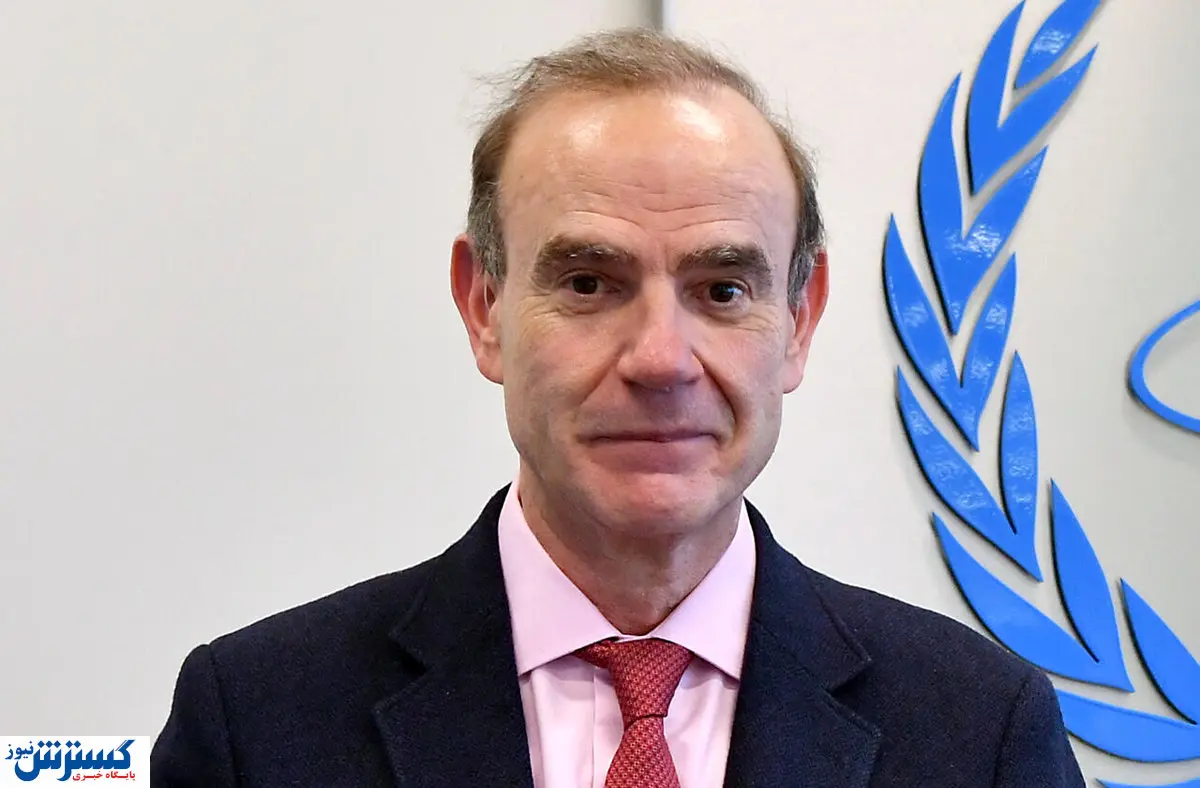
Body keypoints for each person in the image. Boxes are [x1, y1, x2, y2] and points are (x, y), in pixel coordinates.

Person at [151, 28, 1085, 788]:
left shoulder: (979, 731)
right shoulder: (257, 720)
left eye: (722, 291)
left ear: (799, 322)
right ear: (483, 307)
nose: (661, 360)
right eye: (590, 283)